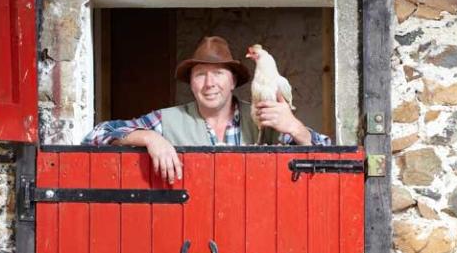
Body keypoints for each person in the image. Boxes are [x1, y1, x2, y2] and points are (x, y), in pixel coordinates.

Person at [82, 36, 331, 183]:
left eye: (218, 74)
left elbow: (330, 162)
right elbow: (95, 136)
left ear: (233, 81)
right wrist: (148, 138)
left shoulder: (264, 116)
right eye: (200, 75)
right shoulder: (167, 120)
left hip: (255, 230)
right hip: (189, 233)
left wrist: (297, 129)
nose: (210, 83)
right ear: (191, 84)